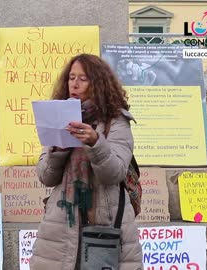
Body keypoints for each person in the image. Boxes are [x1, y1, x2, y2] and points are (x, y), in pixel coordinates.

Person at [29, 54, 143, 270]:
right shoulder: (59, 117)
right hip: (61, 227)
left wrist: (95, 142)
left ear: (98, 83)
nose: (75, 83)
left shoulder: (116, 121)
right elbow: (46, 176)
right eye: (71, 77)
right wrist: (58, 149)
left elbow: (114, 173)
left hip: (105, 224)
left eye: (83, 78)